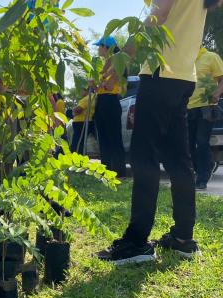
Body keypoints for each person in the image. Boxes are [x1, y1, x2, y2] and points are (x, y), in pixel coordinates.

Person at [97, 0, 223, 265]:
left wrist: (124, 55)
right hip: (184, 78)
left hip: (160, 73)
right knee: (179, 158)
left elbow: (159, 14)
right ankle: (183, 238)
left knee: (145, 156)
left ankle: (137, 242)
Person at [187, 47, 223, 190]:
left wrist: (217, 93)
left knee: (202, 142)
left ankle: (202, 178)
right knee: (188, 144)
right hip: (188, 107)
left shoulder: (211, 57)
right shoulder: (186, 59)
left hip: (206, 106)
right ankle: (205, 166)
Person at [93, 36, 127, 178]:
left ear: (107, 47)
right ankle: (105, 171)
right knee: (103, 138)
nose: (98, 49)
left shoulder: (118, 62)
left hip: (111, 100)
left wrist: (97, 82)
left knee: (114, 137)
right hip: (101, 101)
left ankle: (119, 172)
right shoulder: (105, 63)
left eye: (100, 46)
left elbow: (109, 85)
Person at [71, 88, 96, 154]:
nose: (80, 92)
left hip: (81, 122)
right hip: (86, 121)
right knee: (81, 142)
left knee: (77, 143)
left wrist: (74, 110)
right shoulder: (93, 97)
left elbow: (77, 110)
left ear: (86, 90)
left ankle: (75, 157)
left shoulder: (87, 98)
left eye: (81, 90)